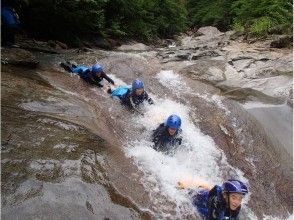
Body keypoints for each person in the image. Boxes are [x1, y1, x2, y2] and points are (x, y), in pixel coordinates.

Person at [179, 179, 248, 220]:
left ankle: (204, 186)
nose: (237, 202)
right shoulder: (216, 204)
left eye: (240, 199)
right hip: (198, 199)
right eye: (233, 197)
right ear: (225, 195)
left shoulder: (235, 206)